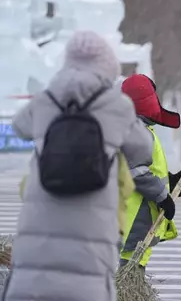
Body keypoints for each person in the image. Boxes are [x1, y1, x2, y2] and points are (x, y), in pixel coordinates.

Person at [3, 31, 154, 301]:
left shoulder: (47, 99)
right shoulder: (115, 105)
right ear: (107, 66)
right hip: (92, 230)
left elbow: (19, 127)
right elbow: (143, 148)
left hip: (41, 226)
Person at [119, 74, 181, 270]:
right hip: (133, 214)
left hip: (137, 214)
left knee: (134, 263)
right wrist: (162, 197)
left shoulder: (136, 129)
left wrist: (169, 182)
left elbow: (145, 166)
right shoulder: (136, 132)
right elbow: (138, 172)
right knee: (129, 268)